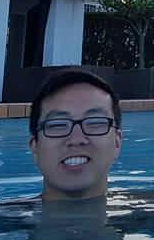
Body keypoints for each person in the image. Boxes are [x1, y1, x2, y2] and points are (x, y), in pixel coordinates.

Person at [29, 69, 122, 201]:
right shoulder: (1, 218)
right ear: (35, 148)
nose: (76, 139)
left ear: (117, 143)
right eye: (58, 125)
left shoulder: (150, 214)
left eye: (94, 122)